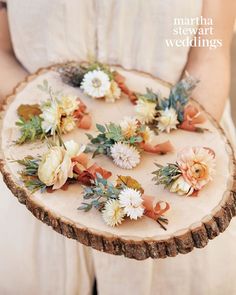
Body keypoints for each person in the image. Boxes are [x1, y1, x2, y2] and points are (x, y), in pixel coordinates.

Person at [0, 1, 235, 294]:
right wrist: (58, 127)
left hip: (167, 189)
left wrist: (183, 168)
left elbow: (209, 54)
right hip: (39, 180)